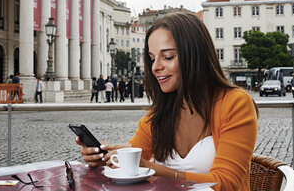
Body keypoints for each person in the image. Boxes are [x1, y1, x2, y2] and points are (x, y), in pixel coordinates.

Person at [76, 13, 258, 191]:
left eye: (168, 56)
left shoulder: (235, 103)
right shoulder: (159, 112)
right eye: (152, 58)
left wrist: (153, 169)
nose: (155, 67)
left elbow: (226, 184)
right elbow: (137, 157)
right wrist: (105, 160)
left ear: (195, 55)